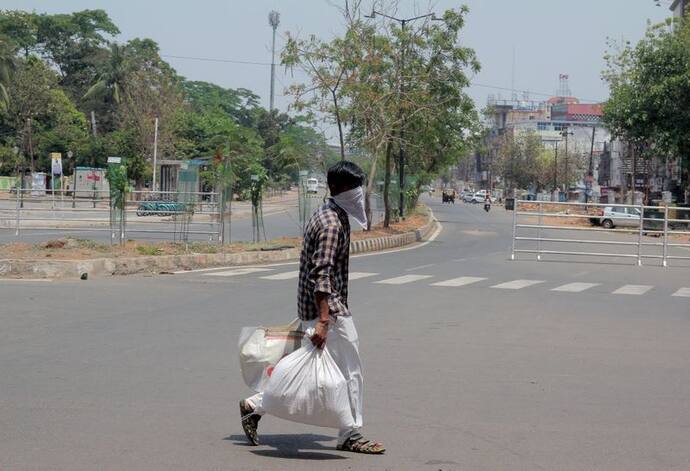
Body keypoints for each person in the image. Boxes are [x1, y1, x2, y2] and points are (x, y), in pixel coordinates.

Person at [240, 161, 385, 455]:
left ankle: (255, 405)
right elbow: (322, 274)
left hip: (319, 309)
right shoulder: (332, 224)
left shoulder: (328, 212)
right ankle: (350, 433)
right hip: (330, 311)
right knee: (350, 371)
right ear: (340, 189)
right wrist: (323, 321)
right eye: (355, 188)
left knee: (318, 373)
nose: (359, 193)